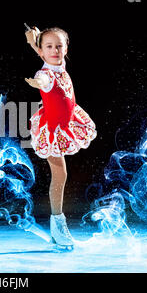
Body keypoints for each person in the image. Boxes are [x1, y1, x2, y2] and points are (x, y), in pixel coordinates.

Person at [24, 26, 97, 249]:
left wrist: (34, 45)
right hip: (52, 129)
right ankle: (57, 223)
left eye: (59, 46)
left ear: (66, 48)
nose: (54, 50)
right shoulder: (44, 74)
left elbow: (50, 59)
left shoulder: (58, 64)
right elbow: (44, 78)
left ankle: (57, 225)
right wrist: (39, 83)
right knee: (60, 174)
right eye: (49, 47)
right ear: (43, 51)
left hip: (66, 122)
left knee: (61, 174)